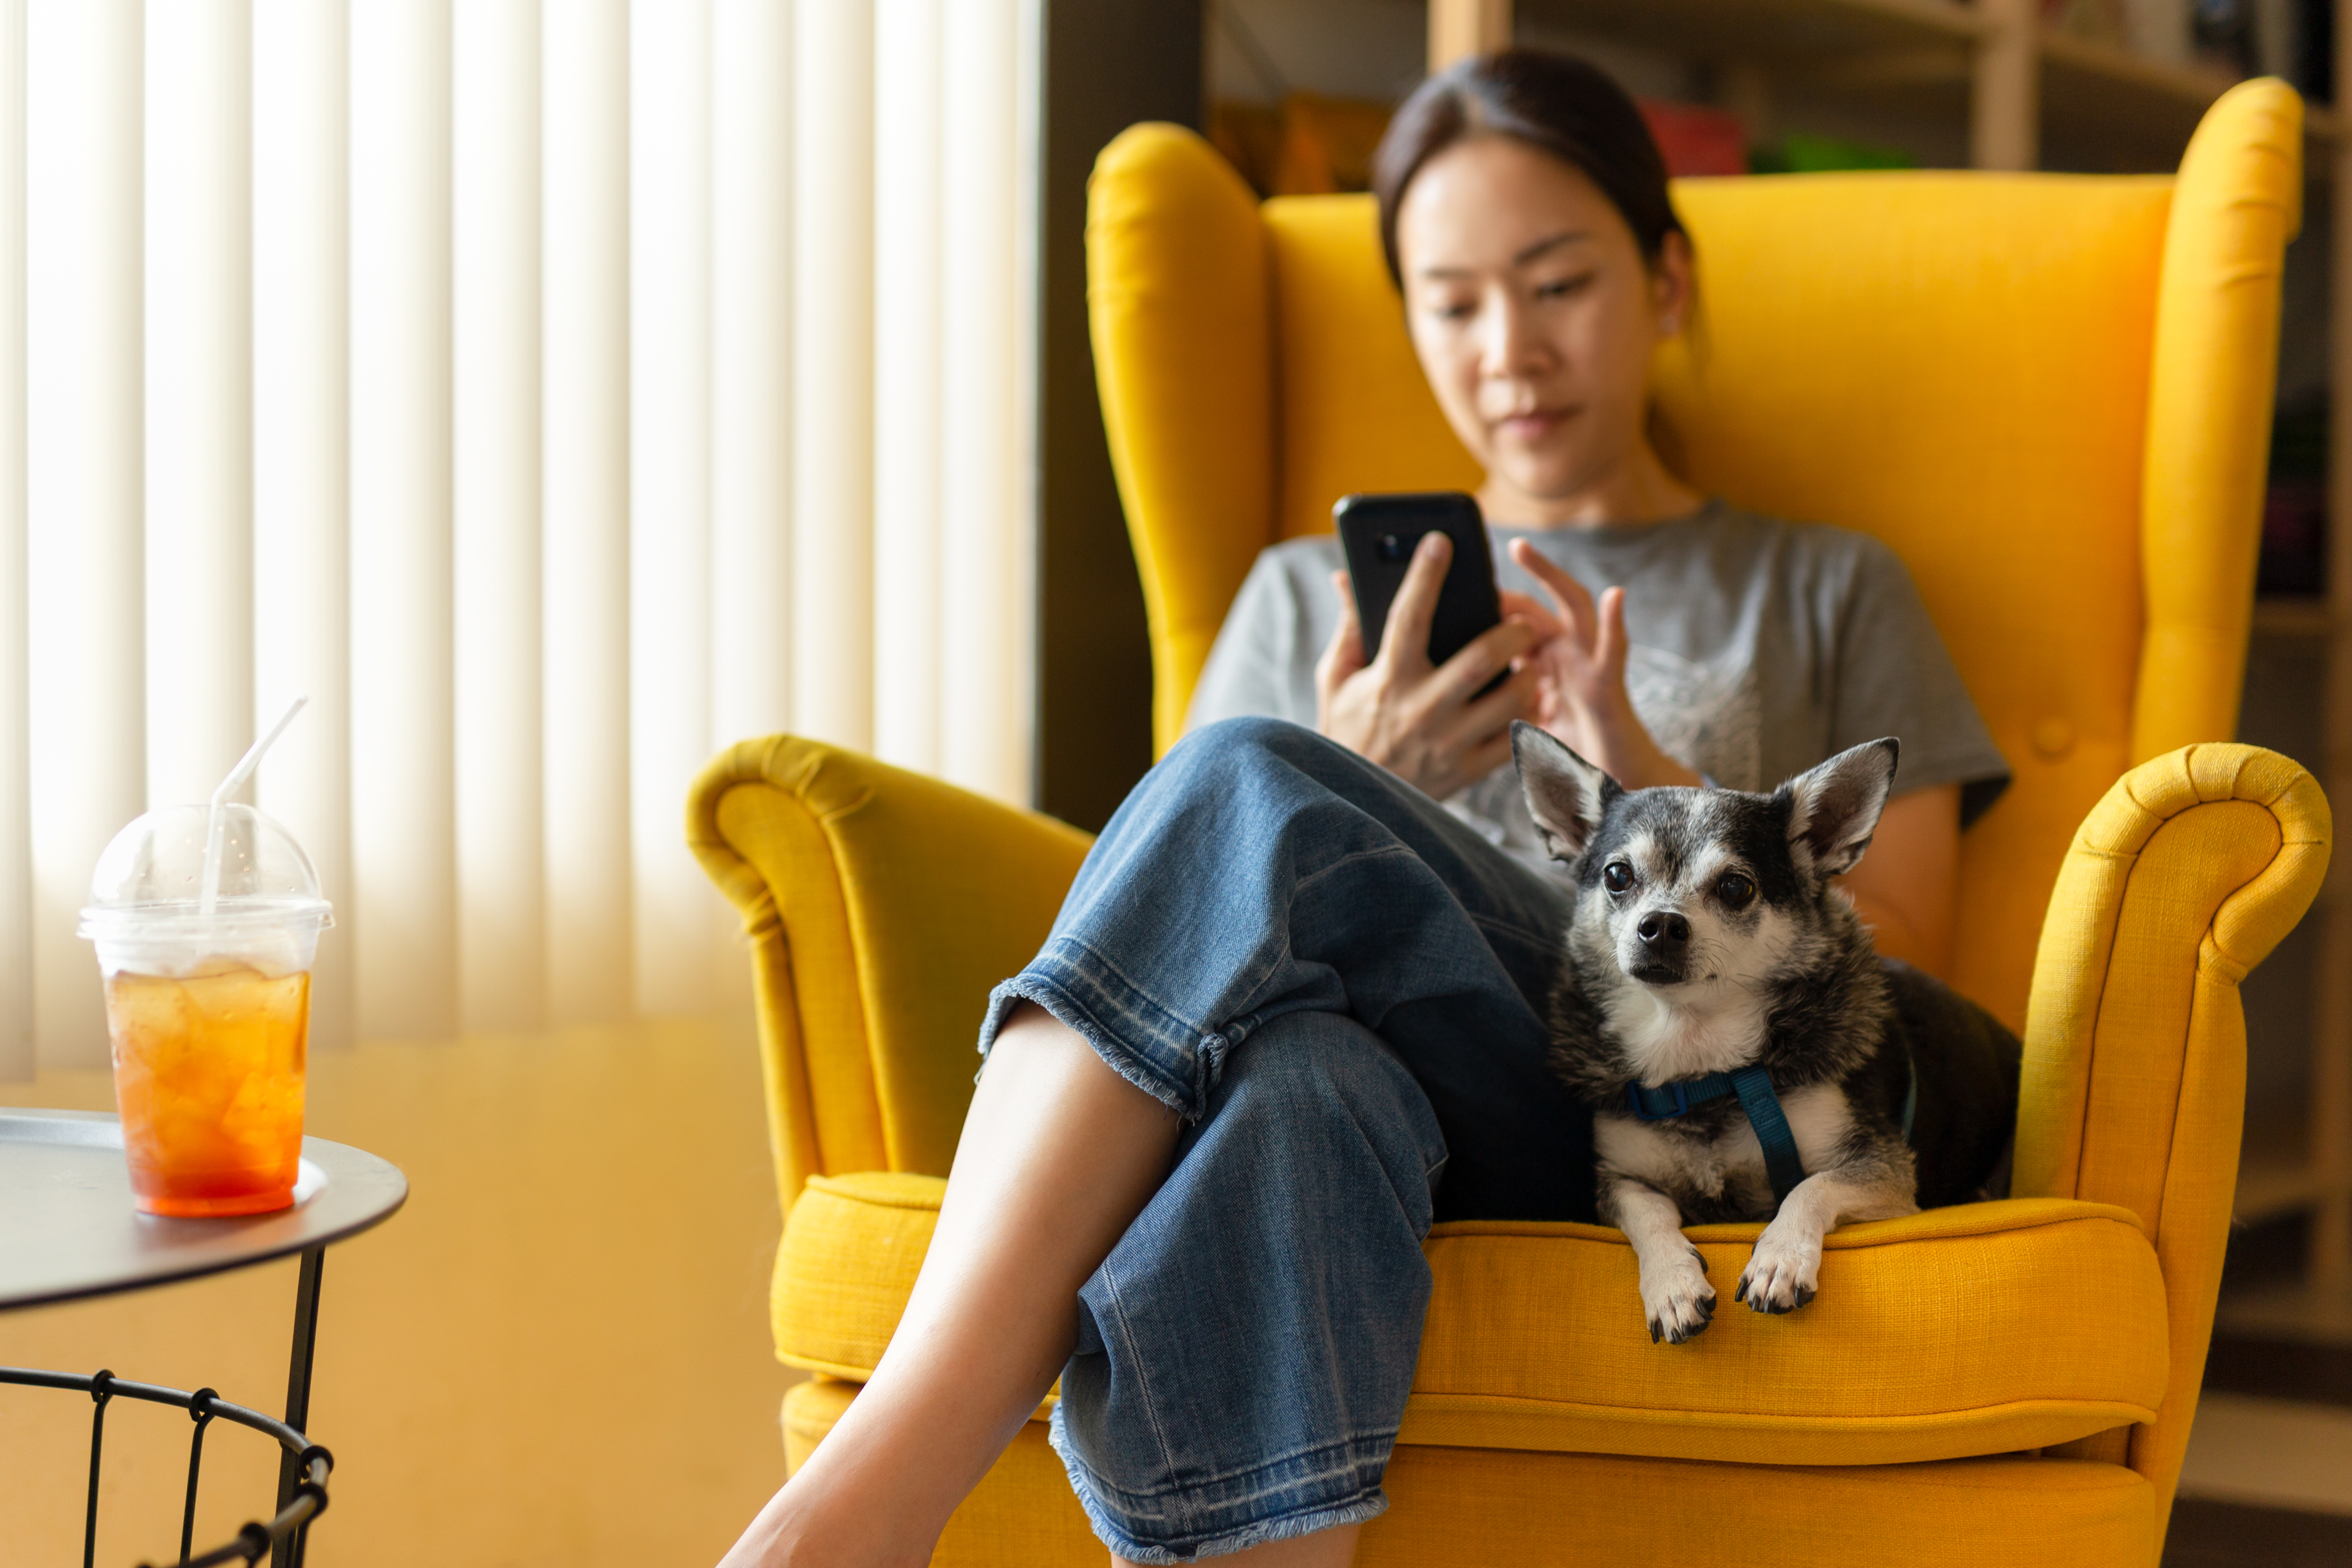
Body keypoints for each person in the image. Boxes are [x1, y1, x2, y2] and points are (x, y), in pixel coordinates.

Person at [718, 50, 2009, 1568]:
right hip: (1379, 1103)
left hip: (1617, 1107)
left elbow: (1907, 963)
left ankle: (858, 1509)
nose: (1509, 349)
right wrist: (1365, 766)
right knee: (1299, 1070)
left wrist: (1634, 779)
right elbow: (1173, 943)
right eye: (1452, 302)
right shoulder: (1294, 601)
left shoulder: (1824, 585)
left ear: (1664, 281)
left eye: (1556, 284)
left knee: (1245, 779)